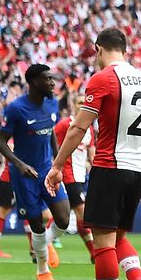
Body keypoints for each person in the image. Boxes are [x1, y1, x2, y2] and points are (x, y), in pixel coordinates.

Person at [45, 27, 141, 280]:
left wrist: (56, 166)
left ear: (98, 49)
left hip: (110, 166)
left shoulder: (103, 78)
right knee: (121, 238)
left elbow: (78, 128)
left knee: (104, 242)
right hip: (137, 169)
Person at [0, 64, 70, 280]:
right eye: (47, 79)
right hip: (24, 175)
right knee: (36, 224)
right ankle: (42, 269)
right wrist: (19, 165)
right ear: (33, 82)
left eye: (52, 78)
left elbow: (51, 134)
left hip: (47, 170)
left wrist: (57, 163)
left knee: (64, 219)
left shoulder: (52, 104)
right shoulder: (16, 108)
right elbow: (0, 141)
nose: (52, 82)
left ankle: (44, 244)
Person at [54, 94, 96, 262]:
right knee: (81, 212)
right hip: (67, 175)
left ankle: (41, 244)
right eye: (79, 102)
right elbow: (53, 144)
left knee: (62, 217)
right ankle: (94, 253)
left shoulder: (90, 128)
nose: (82, 105)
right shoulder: (65, 125)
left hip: (81, 176)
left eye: (84, 102)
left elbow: (91, 154)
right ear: (73, 104)